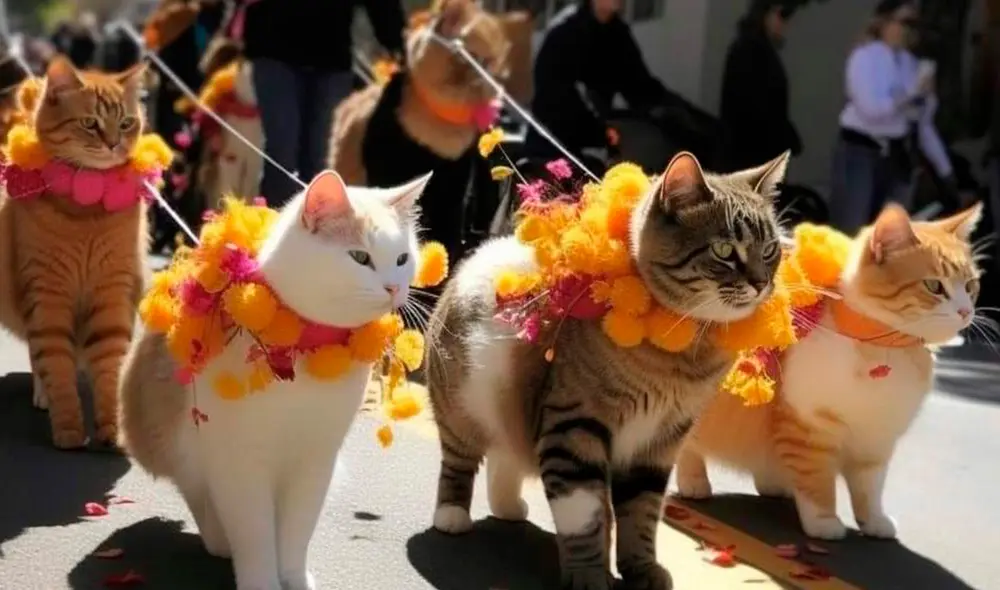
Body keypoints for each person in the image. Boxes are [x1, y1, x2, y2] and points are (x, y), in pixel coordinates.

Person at [239, 0, 406, 207]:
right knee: (282, 155)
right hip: (275, 51)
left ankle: (317, 230)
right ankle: (276, 227)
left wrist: (398, 43)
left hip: (331, 58)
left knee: (322, 161)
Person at [830, 0, 953, 234]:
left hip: (895, 154)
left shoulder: (910, 64)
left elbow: (922, 123)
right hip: (860, 151)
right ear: (884, 22)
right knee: (851, 233)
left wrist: (945, 170)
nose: (909, 30)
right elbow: (872, 109)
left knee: (888, 237)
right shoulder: (864, 58)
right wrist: (912, 94)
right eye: (905, 22)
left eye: (915, 25)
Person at [526, 0, 669, 171]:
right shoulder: (564, 30)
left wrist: (671, 112)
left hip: (594, 142)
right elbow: (554, 96)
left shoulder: (618, 34)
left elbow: (638, 85)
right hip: (551, 144)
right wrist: (599, 130)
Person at [719, 0, 801, 172]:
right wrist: (785, 136)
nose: (784, 24)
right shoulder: (751, 52)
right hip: (751, 158)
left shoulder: (753, 49)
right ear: (765, 13)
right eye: (782, 15)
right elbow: (757, 108)